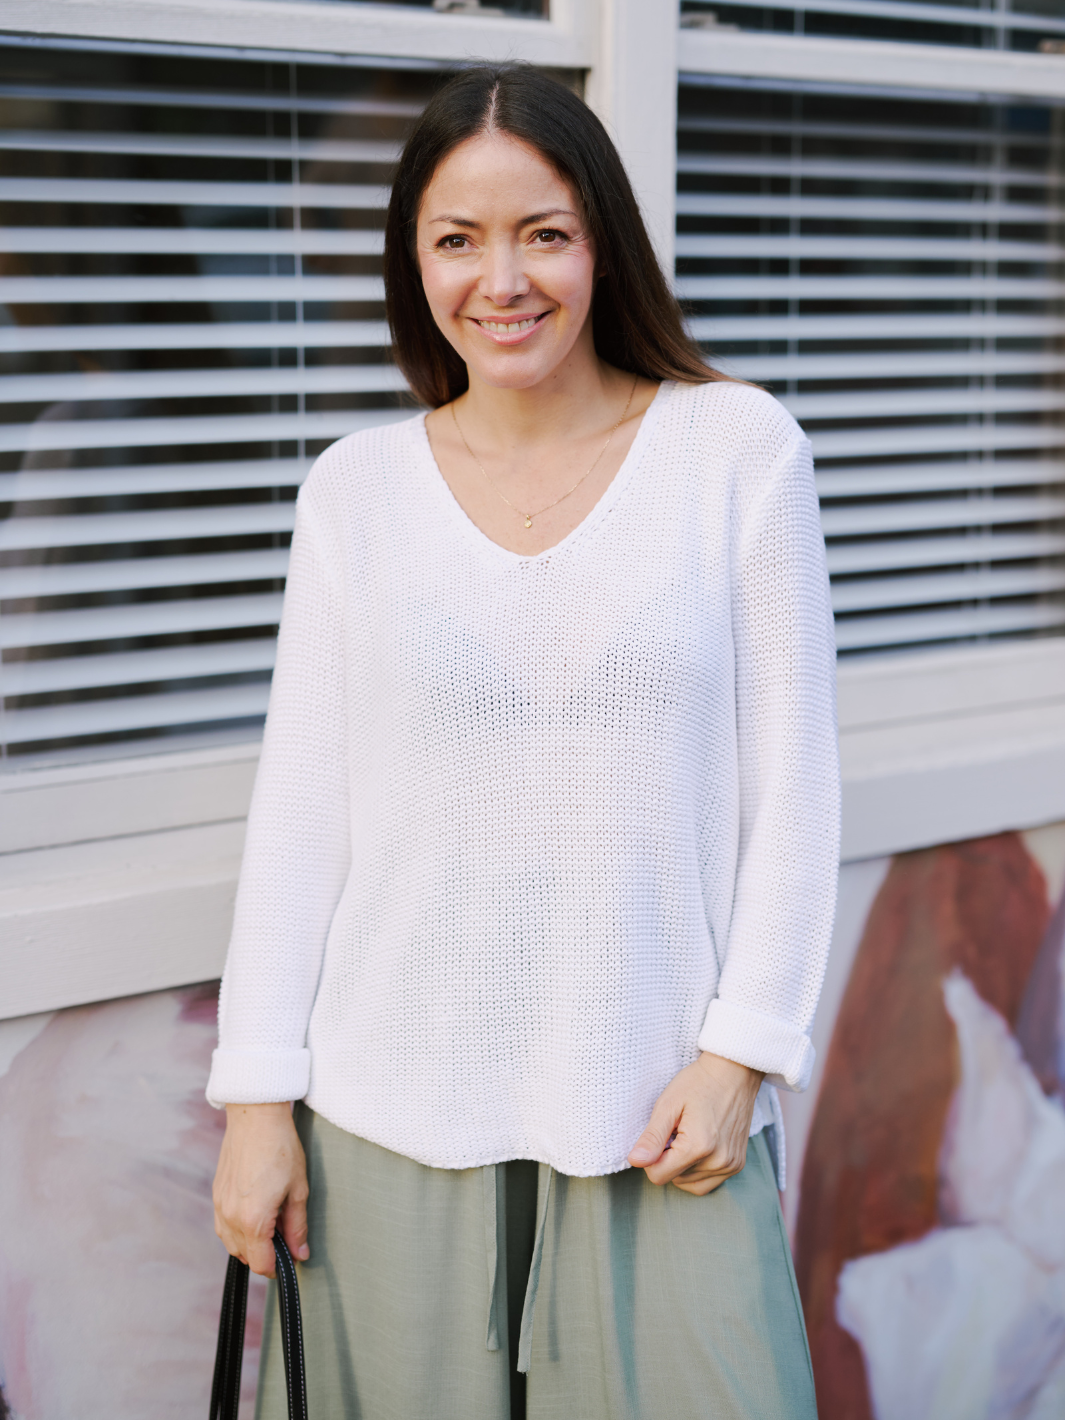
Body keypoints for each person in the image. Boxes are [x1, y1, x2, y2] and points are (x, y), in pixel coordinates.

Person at [209, 63, 839, 1420]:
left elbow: (795, 794)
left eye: (543, 232)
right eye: (458, 239)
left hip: (661, 1106)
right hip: (389, 1110)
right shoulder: (354, 492)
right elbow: (302, 818)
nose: (503, 280)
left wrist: (742, 1054)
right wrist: (257, 1106)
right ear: (414, 261)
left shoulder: (738, 453)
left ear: (603, 241)